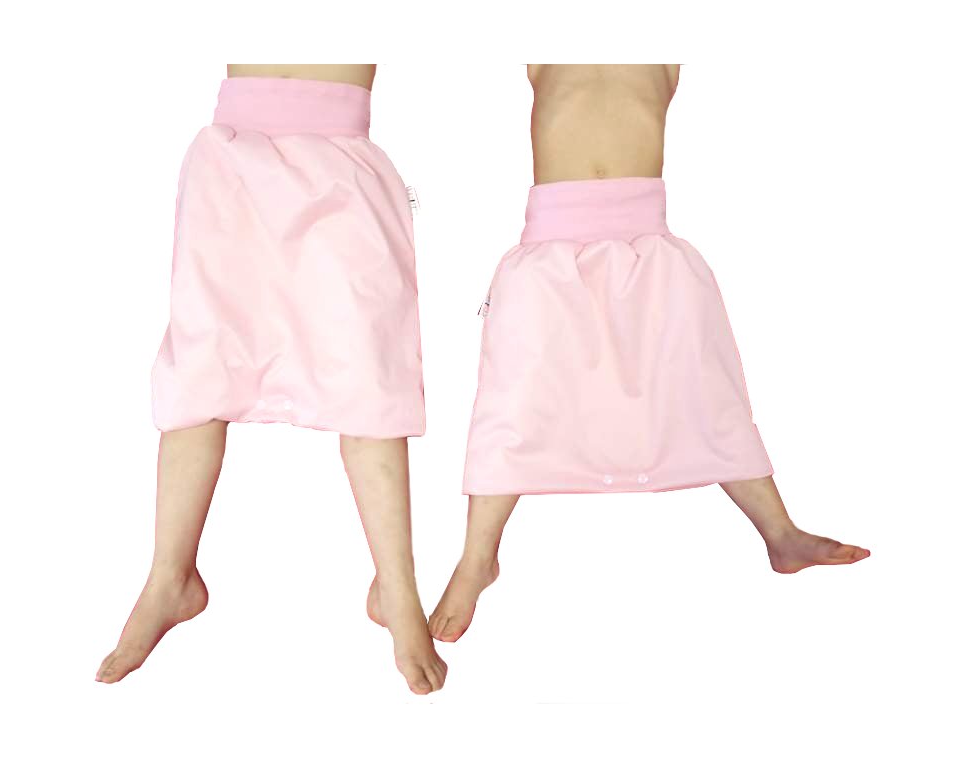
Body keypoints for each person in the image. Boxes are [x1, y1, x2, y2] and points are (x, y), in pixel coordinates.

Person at [429, 64, 871, 643]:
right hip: (548, 255)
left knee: (705, 392)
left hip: (650, 250)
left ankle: (780, 534)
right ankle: (477, 558)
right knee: (512, 404)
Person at [97, 64, 447, 695]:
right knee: (202, 369)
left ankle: (396, 586)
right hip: (233, 156)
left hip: (342, 163)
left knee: (368, 375)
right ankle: (170, 577)